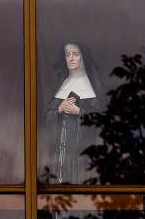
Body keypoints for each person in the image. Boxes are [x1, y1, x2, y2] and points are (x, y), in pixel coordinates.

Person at [44, 42, 105, 184]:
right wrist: (59, 109)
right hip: (60, 152)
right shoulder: (64, 84)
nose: (71, 58)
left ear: (84, 58)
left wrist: (78, 111)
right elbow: (46, 116)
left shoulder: (93, 86)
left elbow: (101, 119)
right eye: (67, 54)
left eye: (75, 54)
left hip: (81, 153)